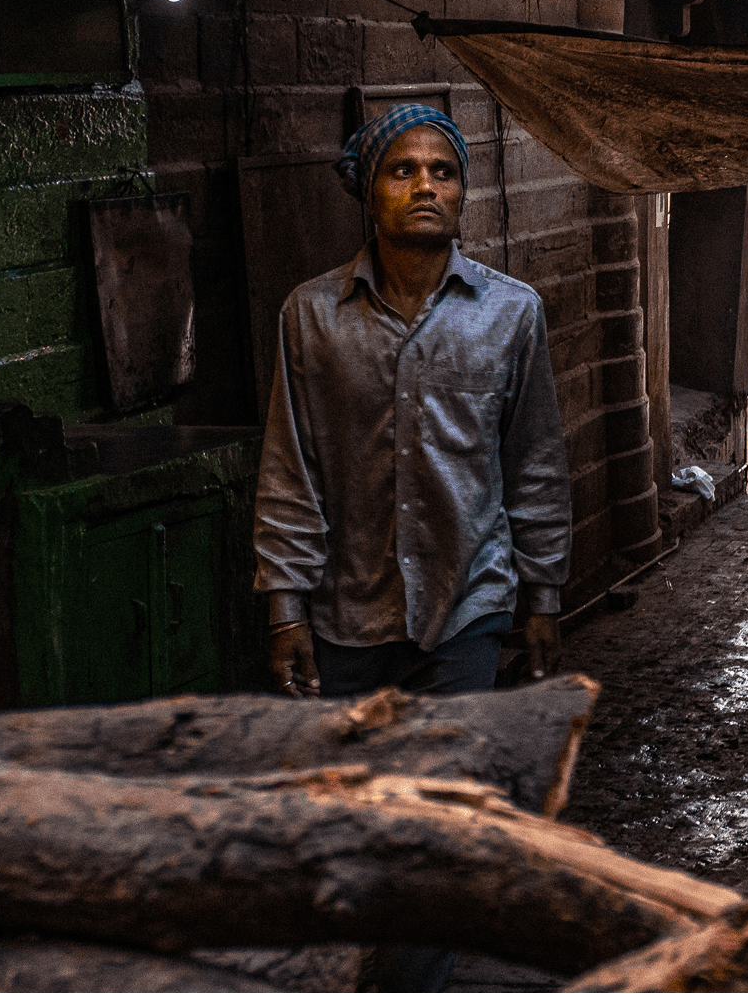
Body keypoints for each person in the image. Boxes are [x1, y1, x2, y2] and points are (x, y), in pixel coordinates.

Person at [253, 104, 568, 993]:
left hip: (464, 610)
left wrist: (542, 597)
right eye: (404, 170)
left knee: (435, 830)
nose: (427, 184)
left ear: (463, 191)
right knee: (351, 830)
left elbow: (535, 464)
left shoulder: (512, 314)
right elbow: (291, 466)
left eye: (444, 170)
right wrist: (284, 607)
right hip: (345, 615)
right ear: (369, 192)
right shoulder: (310, 317)